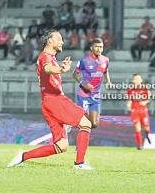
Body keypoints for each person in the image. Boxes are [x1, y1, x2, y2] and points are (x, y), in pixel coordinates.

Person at [8, 29, 94, 170]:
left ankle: (23, 156)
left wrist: (60, 69)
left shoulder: (50, 57)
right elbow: (47, 69)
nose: (62, 42)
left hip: (48, 102)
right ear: (50, 41)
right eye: (59, 38)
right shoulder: (45, 56)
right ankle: (79, 164)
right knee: (86, 124)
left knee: (61, 146)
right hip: (54, 100)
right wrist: (61, 69)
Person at [73, 38, 111, 130]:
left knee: (94, 124)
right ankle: (72, 122)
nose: (99, 49)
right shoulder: (84, 60)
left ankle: (73, 121)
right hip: (84, 94)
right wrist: (83, 83)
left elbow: (105, 71)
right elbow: (75, 74)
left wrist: (108, 81)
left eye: (101, 47)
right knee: (83, 123)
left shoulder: (105, 60)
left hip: (96, 95)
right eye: (96, 47)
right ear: (91, 48)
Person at [127, 74, 152, 150]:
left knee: (146, 127)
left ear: (141, 80)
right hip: (135, 111)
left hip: (143, 111)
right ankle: (140, 145)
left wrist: (145, 102)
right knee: (137, 128)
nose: (137, 80)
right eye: (136, 79)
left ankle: (147, 135)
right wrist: (128, 105)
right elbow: (129, 100)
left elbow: (149, 98)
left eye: (139, 79)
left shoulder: (145, 89)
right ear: (133, 81)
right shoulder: (130, 90)